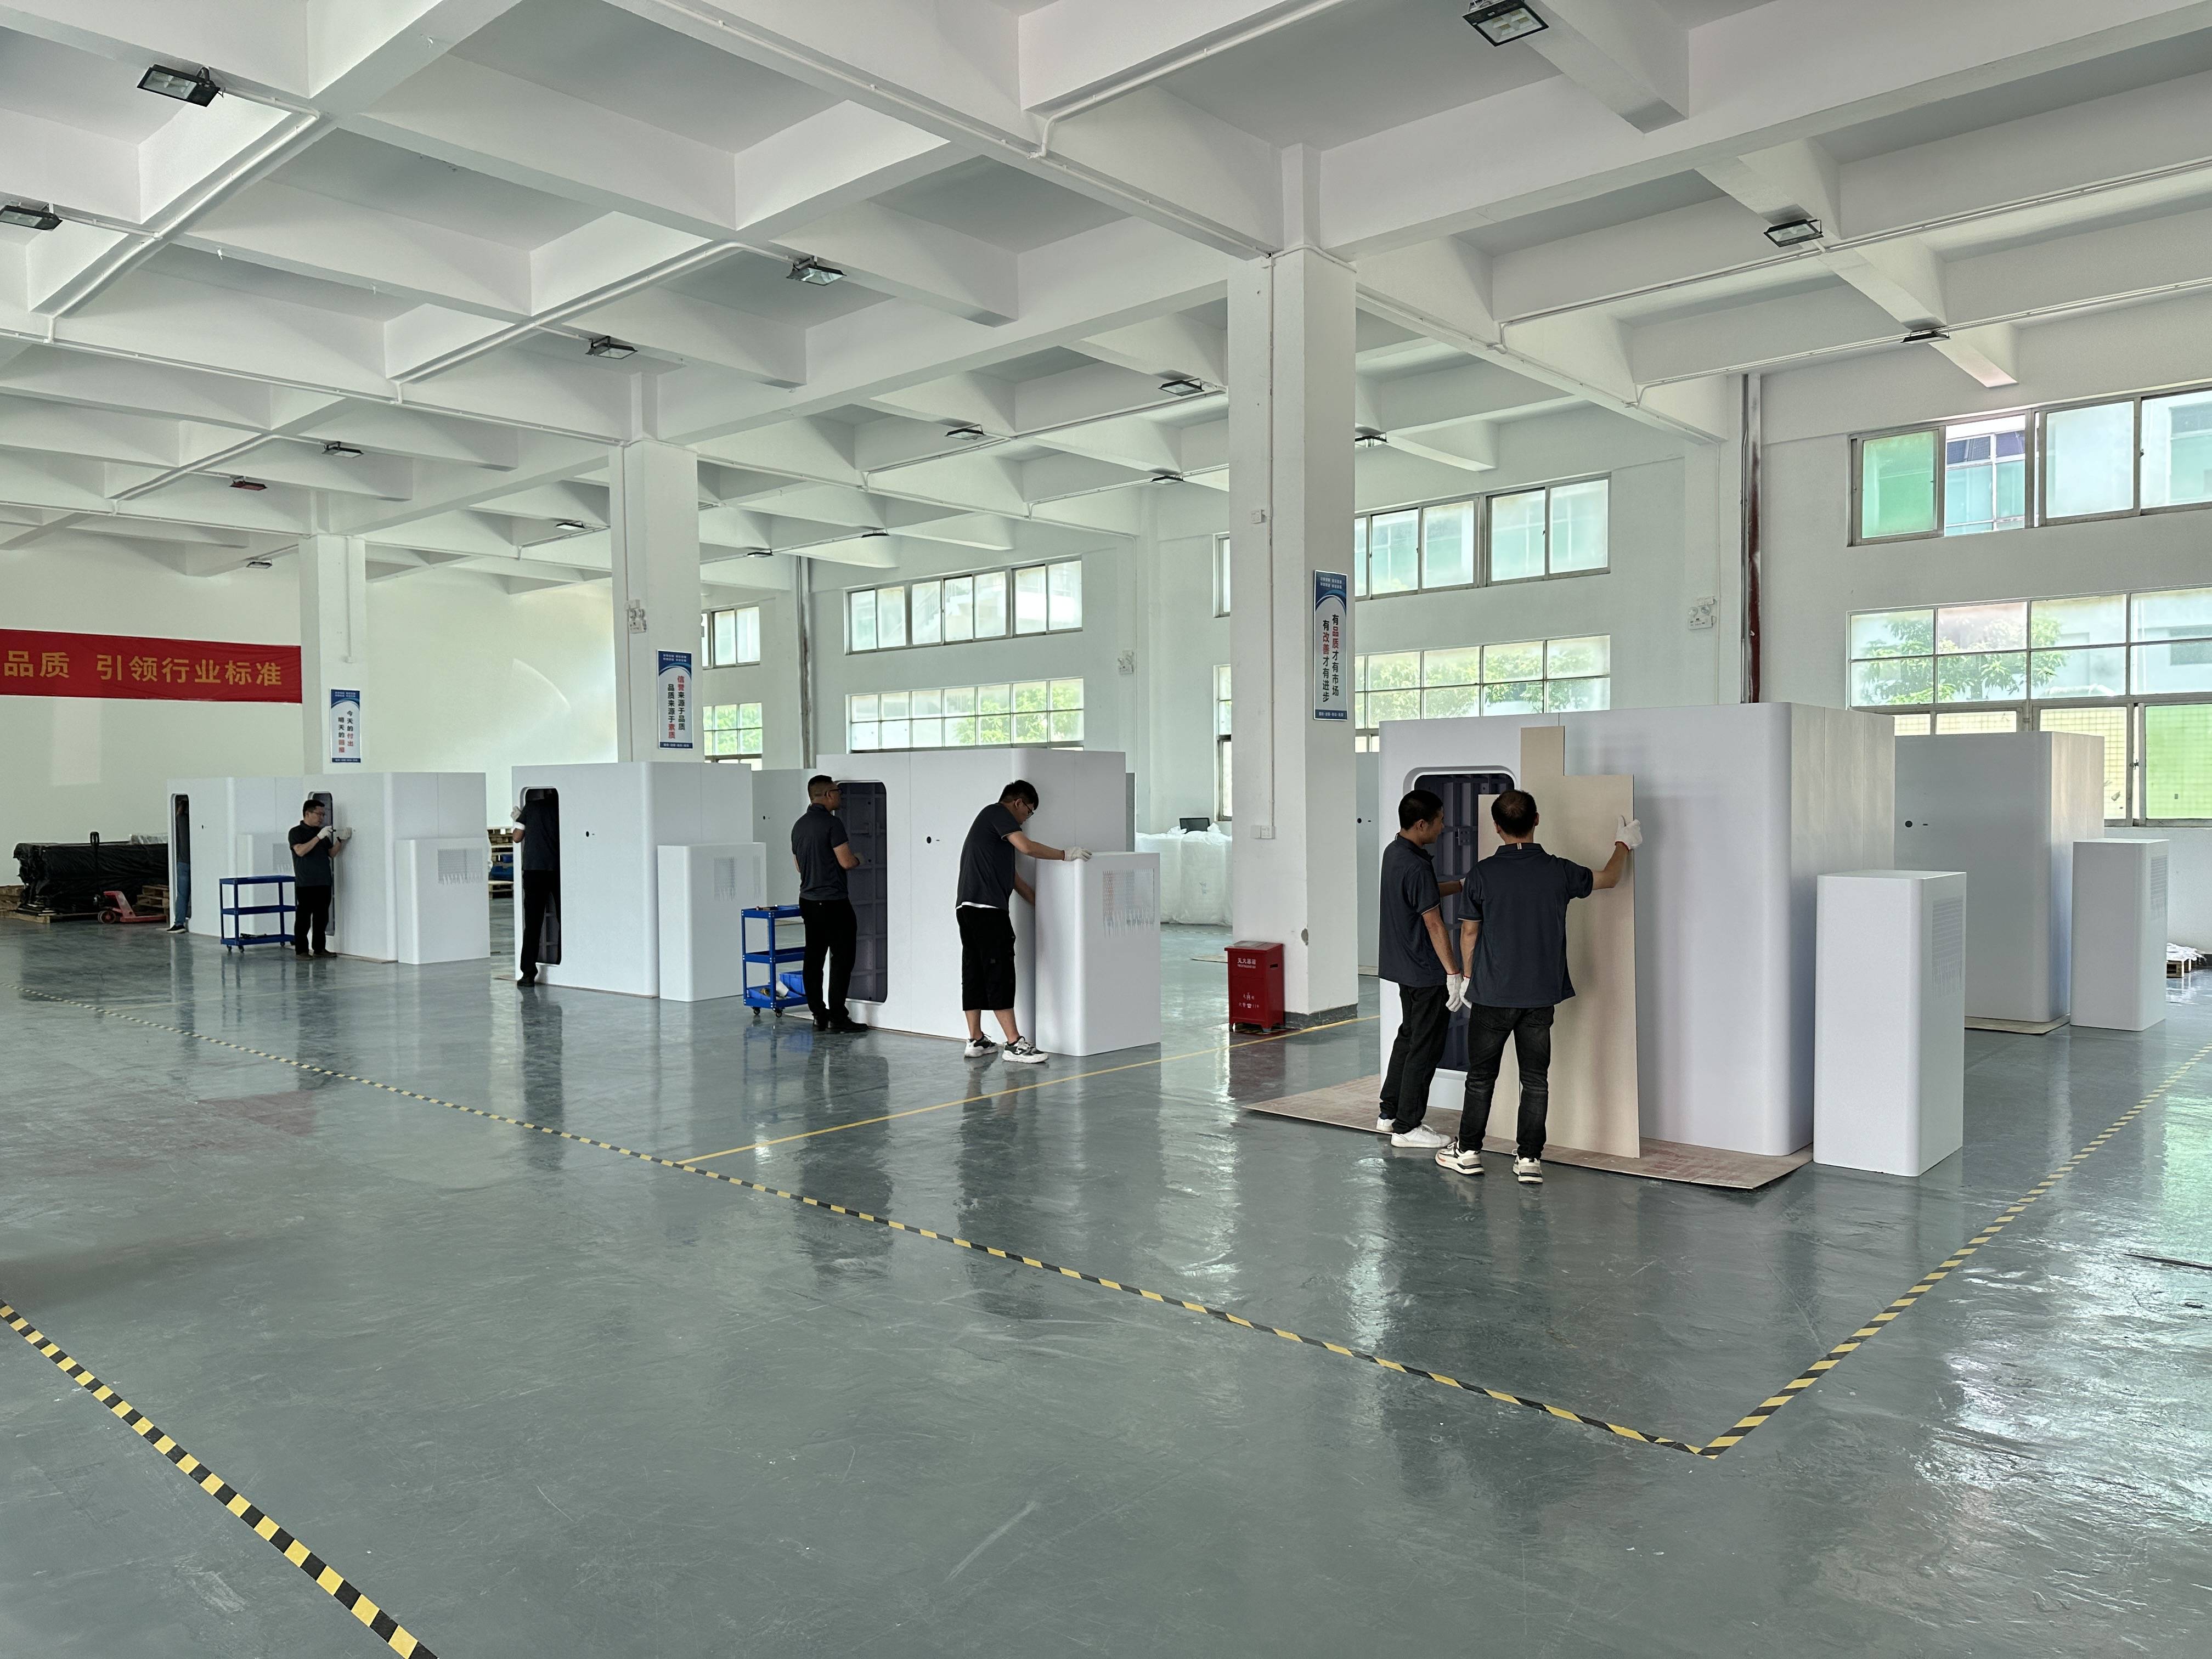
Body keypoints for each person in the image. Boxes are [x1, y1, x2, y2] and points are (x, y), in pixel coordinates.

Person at [1436, 789, 1639, 1186]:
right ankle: (1529, 1159)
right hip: (1540, 996)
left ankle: (1468, 1152)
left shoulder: (1481, 874)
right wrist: (1623, 844)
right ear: (1537, 820)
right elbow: (1610, 878)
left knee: (1481, 1078)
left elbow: (1469, 933)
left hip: (1492, 994)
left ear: (1497, 827)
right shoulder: (1559, 871)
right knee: (1535, 1079)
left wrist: (1466, 978)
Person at [957, 780, 1087, 1065]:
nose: (1026, 819)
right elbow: (1027, 847)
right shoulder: (997, 813)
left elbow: (1014, 880)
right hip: (988, 911)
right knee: (1000, 971)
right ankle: (1014, 1044)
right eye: (1029, 812)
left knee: (975, 971)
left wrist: (1046, 905)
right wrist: (1065, 855)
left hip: (968, 909)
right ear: (1017, 803)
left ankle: (976, 1039)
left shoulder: (993, 835)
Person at [1374, 789, 1466, 1150]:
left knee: (1409, 1037)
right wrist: (1453, 973)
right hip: (1426, 971)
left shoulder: (1394, 852)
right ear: (1422, 824)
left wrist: (1461, 885)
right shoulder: (1416, 864)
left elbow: (1420, 893)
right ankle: (1407, 1127)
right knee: (1425, 1048)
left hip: (1403, 966)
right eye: (1440, 820)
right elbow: (1434, 923)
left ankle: (1389, 1113)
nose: (1444, 826)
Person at [791, 775, 866, 1033]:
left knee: (814, 958)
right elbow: (846, 861)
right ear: (827, 795)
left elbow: (799, 866)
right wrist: (860, 859)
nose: (840, 795)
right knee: (842, 959)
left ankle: (818, 1015)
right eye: (838, 791)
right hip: (834, 903)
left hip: (808, 901)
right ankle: (838, 1017)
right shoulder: (833, 824)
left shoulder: (799, 826)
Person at [286, 798, 344, 958]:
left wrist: (340, 841)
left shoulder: (322, 833)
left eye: (323, 815)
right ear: (307, 813)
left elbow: (331, 853)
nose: (321, 818)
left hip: (324, 882)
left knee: (322, 918)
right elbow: (300, 851)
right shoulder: (296, 832)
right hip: (306, 883)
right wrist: (318, 837)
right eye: (319, 814)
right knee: (304, 918)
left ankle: (319, 948)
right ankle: (302, 950)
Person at [515, 792, 558, 988]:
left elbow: (517, 837)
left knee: (533, 924)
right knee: (564, 919)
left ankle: (528, 974)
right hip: (557, 870)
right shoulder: (562, 809)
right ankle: (562, 962)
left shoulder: (531, 808)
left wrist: (519, 819)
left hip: (534, 871)